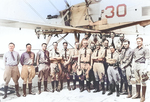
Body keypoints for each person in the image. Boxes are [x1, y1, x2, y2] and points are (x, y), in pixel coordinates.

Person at [132, 37, 149, 102]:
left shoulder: (145, 49)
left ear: (142, 41)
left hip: (142, 64)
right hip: (136, 64)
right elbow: (134, 58)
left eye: (139, 41)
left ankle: (143, 96)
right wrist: (133, 67)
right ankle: (137, 94)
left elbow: (147, 59)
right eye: (137, 41)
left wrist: (145, 68)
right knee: (137, 80)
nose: (138, 42)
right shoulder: (135, 49)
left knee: (143, 80)